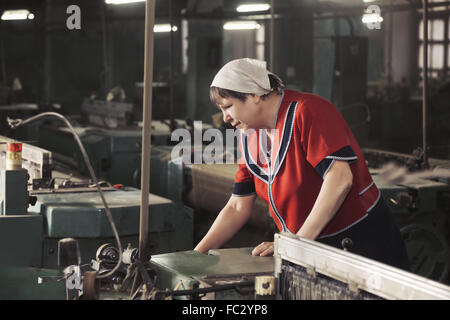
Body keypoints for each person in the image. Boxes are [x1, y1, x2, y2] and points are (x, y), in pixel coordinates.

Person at [194, 58, 410, 271]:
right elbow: (237, 206)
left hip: (360, 245)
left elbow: (340, 179)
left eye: (228, 106)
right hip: (307, 247)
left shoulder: (308, 111)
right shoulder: (250, 136)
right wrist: (196, 257)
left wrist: (294, 244)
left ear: (253, 95)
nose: (225, 118)